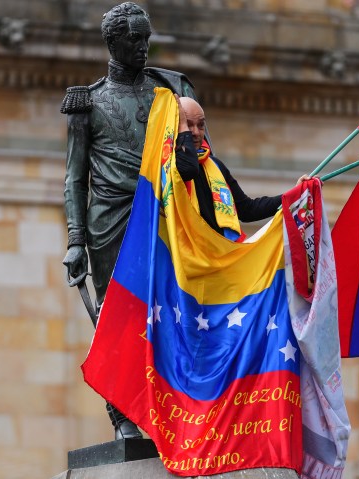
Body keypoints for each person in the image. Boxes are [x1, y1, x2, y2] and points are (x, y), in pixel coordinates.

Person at [60, 2, 197, 440]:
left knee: (172, 313)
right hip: (110, 224)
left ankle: (171, 407)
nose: (143, 46)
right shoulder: (89, 102)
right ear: (112, 42)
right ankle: (123, 417)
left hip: (163, 216)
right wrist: (75, 240)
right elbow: (75, 177)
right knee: (118, 319)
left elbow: (201, 160)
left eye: (146, 37)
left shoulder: (170, 90)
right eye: (134, 39)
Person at [174, 95, 310, 239]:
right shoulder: (165, 165)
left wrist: (294, 195)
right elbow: (188, 169)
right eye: (188, 125)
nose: (195, 132)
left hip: (221, 255)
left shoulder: (215, 165)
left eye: (200, 125)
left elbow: (247, 209)